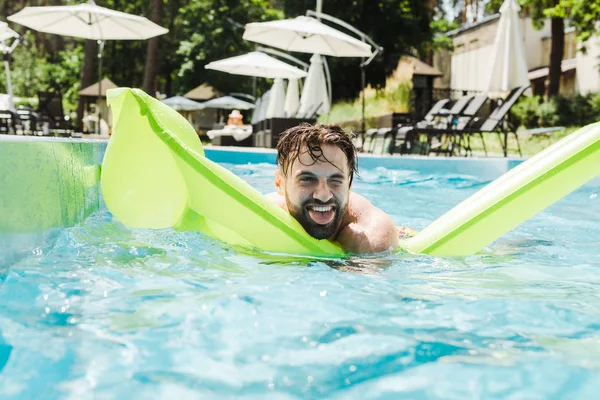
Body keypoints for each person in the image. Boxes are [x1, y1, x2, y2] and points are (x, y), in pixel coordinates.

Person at [267, 123, 417, 255]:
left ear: (349, 185)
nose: (323, 196)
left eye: (335, 181)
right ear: (280, 183)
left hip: (401, 235)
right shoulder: (267, 214)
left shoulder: (370, 235)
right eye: (307, 179)